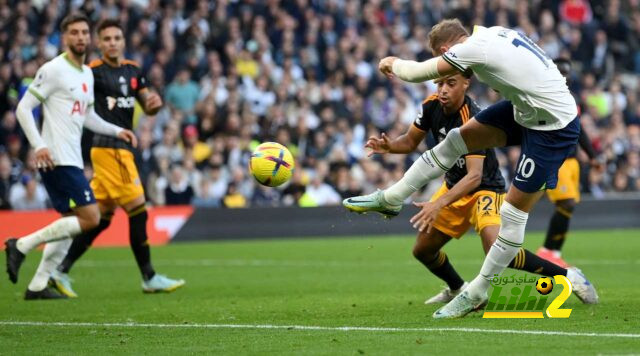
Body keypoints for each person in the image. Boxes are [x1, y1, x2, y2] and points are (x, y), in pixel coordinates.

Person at [343, 19, 598, 318]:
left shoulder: (472, 50)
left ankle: (477, 291)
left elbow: (415, 73)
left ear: (445, 50)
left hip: (554, 127)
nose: (446, 75)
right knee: (455, 140)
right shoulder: (493, 33)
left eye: (445, 61)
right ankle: (392, 199)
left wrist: (392, 63)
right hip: (528, 110)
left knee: (512, 216)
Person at [5, 13, 138, 299]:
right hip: (55, 158)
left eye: (84, 33)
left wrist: (118, 131)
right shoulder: (53, 70)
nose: (80, 38)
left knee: (70, 222)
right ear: (65, 37)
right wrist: (39, 145)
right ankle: (21, 245)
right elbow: (23, 109)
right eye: (74, 33)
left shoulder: (86, 73)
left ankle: (38, 285)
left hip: (73, 158)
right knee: (91, 218)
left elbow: (88, 116)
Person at [50, 19, 185, 297]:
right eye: (107, 38)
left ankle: (59, 270)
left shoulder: (134, 70)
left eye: (117, 38)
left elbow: (147, 104)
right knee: (138, 209)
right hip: (108, 148)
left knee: (100, 218)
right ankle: (149, 277)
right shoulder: (92, 72)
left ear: (123, 41)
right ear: (99, 43)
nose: (112, 42)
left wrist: (153, 105)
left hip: (122, 150)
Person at [536, 58, 601, 268]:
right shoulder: (544, 97)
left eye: (567, 72)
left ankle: (553, 252)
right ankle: (547, 251)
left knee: (568, 207)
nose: (565, 76)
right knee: (567, 203)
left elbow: (579, 130)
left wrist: (592, 156)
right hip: (557, 158)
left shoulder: (572, 99)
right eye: (561, 71)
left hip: (572, 161)